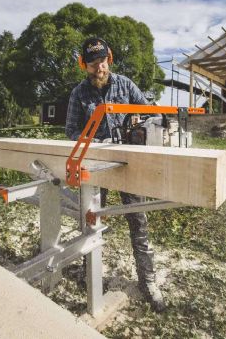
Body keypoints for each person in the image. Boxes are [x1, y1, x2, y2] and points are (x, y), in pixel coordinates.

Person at [65, 36, 166, 312]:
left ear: (109, 58)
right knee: (91, 221)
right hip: (97, 167)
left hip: (127, 164)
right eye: (93, 62)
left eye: (103, 60)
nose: (100, 67)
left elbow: (154, 115)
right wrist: (95, 143)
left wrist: (141, 120)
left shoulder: (125, 85)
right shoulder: (79, 94)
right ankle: (90, 276)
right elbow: (71, 131)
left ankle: (148, 283)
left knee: (138, 221)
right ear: (83, 65)